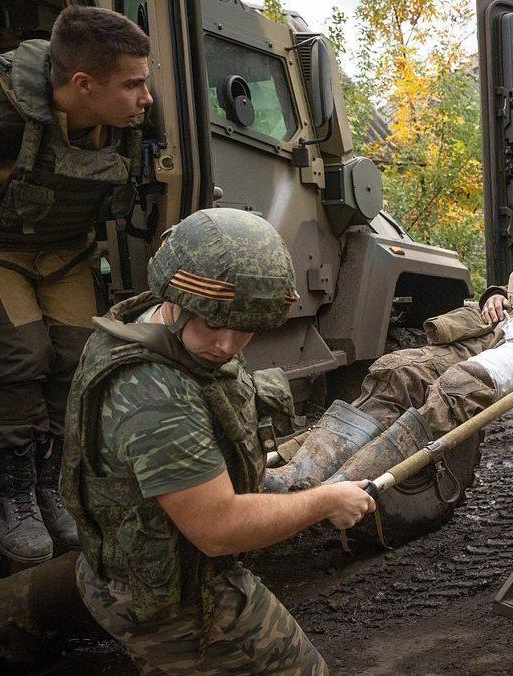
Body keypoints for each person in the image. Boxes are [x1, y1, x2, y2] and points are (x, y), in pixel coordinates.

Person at [62, 208, 373, 674]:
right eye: (213, 325)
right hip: (171, 599)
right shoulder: (154, 393)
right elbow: (218, 529)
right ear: (175, 297)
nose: (227, 345)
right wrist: (326, 501)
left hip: (151, 562)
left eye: (243, 327)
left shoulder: (164, 322)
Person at [0, 6, 152, 563]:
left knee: (76, 356)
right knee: (21, 354)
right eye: (133, 85)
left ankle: (51, 485)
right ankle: (13, 493)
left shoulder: (130, 113)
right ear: (82, 84)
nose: (146, 98)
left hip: (63, 252)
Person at [266, 242, 513, 492]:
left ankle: (333, 490)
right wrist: (497, 295)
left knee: (461, 385)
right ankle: (297, 475)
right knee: (397, 370)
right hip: (503, 320)